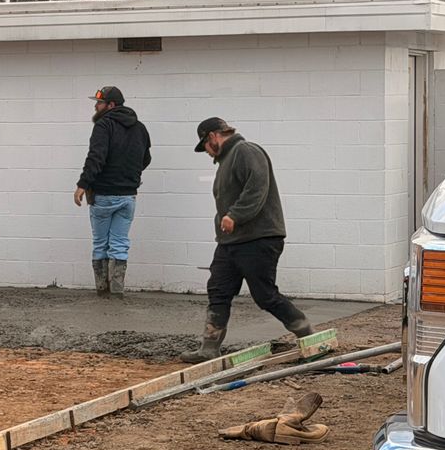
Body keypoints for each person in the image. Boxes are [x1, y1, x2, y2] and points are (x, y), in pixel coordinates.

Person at [181, 118, 314, 361]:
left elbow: (257, 187)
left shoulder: (246, 151)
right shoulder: (225, 162)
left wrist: (235, 215)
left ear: (212, 137)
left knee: (264, 295)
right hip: (231, 242)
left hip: (258, 238)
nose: (207, 153)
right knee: (218, 291)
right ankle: (209, 348)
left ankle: (305, 332)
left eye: (206, 146)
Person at [73, 86, 152, 298]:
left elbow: (96, 157)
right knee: (119, 244)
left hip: (103, 195)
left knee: (101, 243)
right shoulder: (140, 128)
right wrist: (128, 177)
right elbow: (146, 159)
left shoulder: (103, 125)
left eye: (99, 102)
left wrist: (82, 184)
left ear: (111, 105)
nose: (95, 106)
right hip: (128, 196)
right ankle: (117, 292)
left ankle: (102, 291)